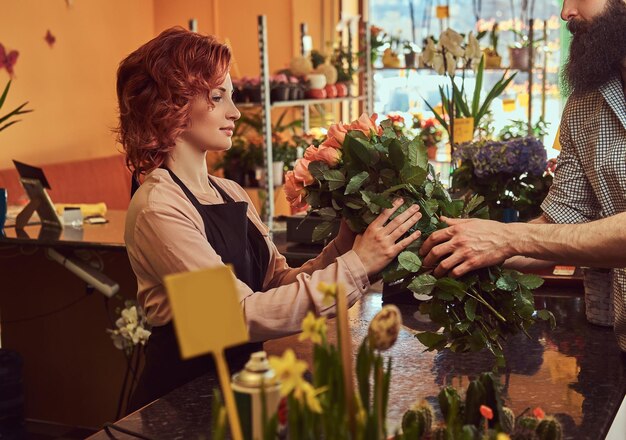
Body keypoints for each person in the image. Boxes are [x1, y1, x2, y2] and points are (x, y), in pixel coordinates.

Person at [117, 27, 422, 410]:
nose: (234, 111)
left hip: (241, 389)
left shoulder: (229, 192)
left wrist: (344, 245)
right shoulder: (158, 208)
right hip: (184, 401)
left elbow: (276, 284)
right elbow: (236, 316)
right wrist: (357, 265)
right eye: (217, 97)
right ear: (171, 104)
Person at [421, 0, 626, 347]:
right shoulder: (584, 102)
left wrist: (506, 239)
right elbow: (564, 227)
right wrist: (458, 246)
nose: (566, 13)